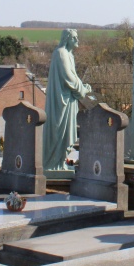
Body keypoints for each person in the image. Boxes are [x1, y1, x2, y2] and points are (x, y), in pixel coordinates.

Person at [43, 29, 92, 171]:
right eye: (75, 38)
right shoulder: (61, 53)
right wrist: (83, 91)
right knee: (58, 130)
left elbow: (73, 76)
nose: (78, 41)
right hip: (61, 102)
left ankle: (60, 162)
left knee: (65, 133)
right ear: (67, 39)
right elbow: (68, 78)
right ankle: (52, 164)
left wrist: (83, 86)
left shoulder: (69, 54)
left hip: (69, 100)